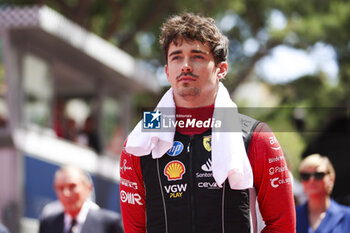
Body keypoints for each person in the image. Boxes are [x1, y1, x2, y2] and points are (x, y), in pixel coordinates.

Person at [119, 13, 295, 233]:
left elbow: (282, 226)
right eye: (176, 57)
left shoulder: (256, 136)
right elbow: (134, 229)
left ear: (221, 69)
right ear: (167, 72)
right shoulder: (139, 141)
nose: (185, 65)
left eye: (197, 56)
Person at [39, 165, 123, 233]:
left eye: (72, 186)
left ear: (88, 188)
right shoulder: (48, 223)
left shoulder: (109, 223)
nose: (66, 193)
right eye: (60, 188)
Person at [296, 154, 350, 233]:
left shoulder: (347, 216)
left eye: (318, 175)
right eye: (305, 176)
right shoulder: (292, 216)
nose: (312, 180)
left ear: (331, 178)